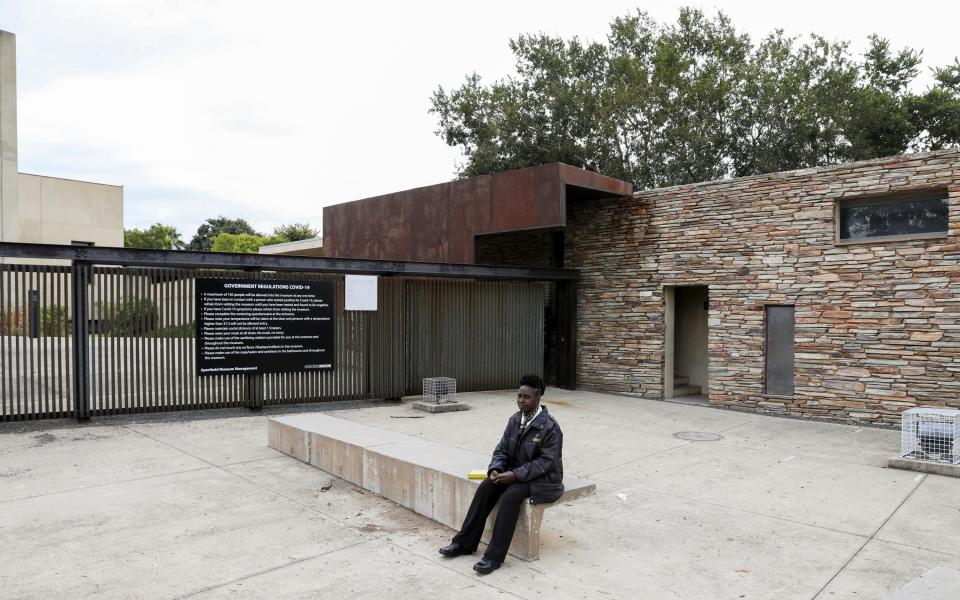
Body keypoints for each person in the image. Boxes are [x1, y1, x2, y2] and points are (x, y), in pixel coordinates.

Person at [438, 373, 564, 574]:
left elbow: (546, 463)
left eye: (527, 397)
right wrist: (496, 469)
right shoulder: (515, 420)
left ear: (538, 398)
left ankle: (493, 557)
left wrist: (514, 475)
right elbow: (502, 449)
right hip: (516, 472)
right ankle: (464, 543)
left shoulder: (550, 427)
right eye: (519, 396)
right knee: (487, 486)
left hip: (543, 479)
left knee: (510, 496)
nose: (521, 401)